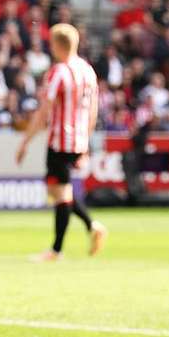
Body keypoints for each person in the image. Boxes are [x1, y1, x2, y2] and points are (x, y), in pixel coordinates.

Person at [16, 23, 106, 261]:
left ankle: (57, 249)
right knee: (58, 190)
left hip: (59, 141)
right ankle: (91, 225)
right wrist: (86, 141)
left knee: (61, 194)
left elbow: (45, 110)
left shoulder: (59, 72)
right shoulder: (88, 71)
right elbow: (93, 110)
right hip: (78, 141)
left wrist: (25, 141)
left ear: (57, 45)